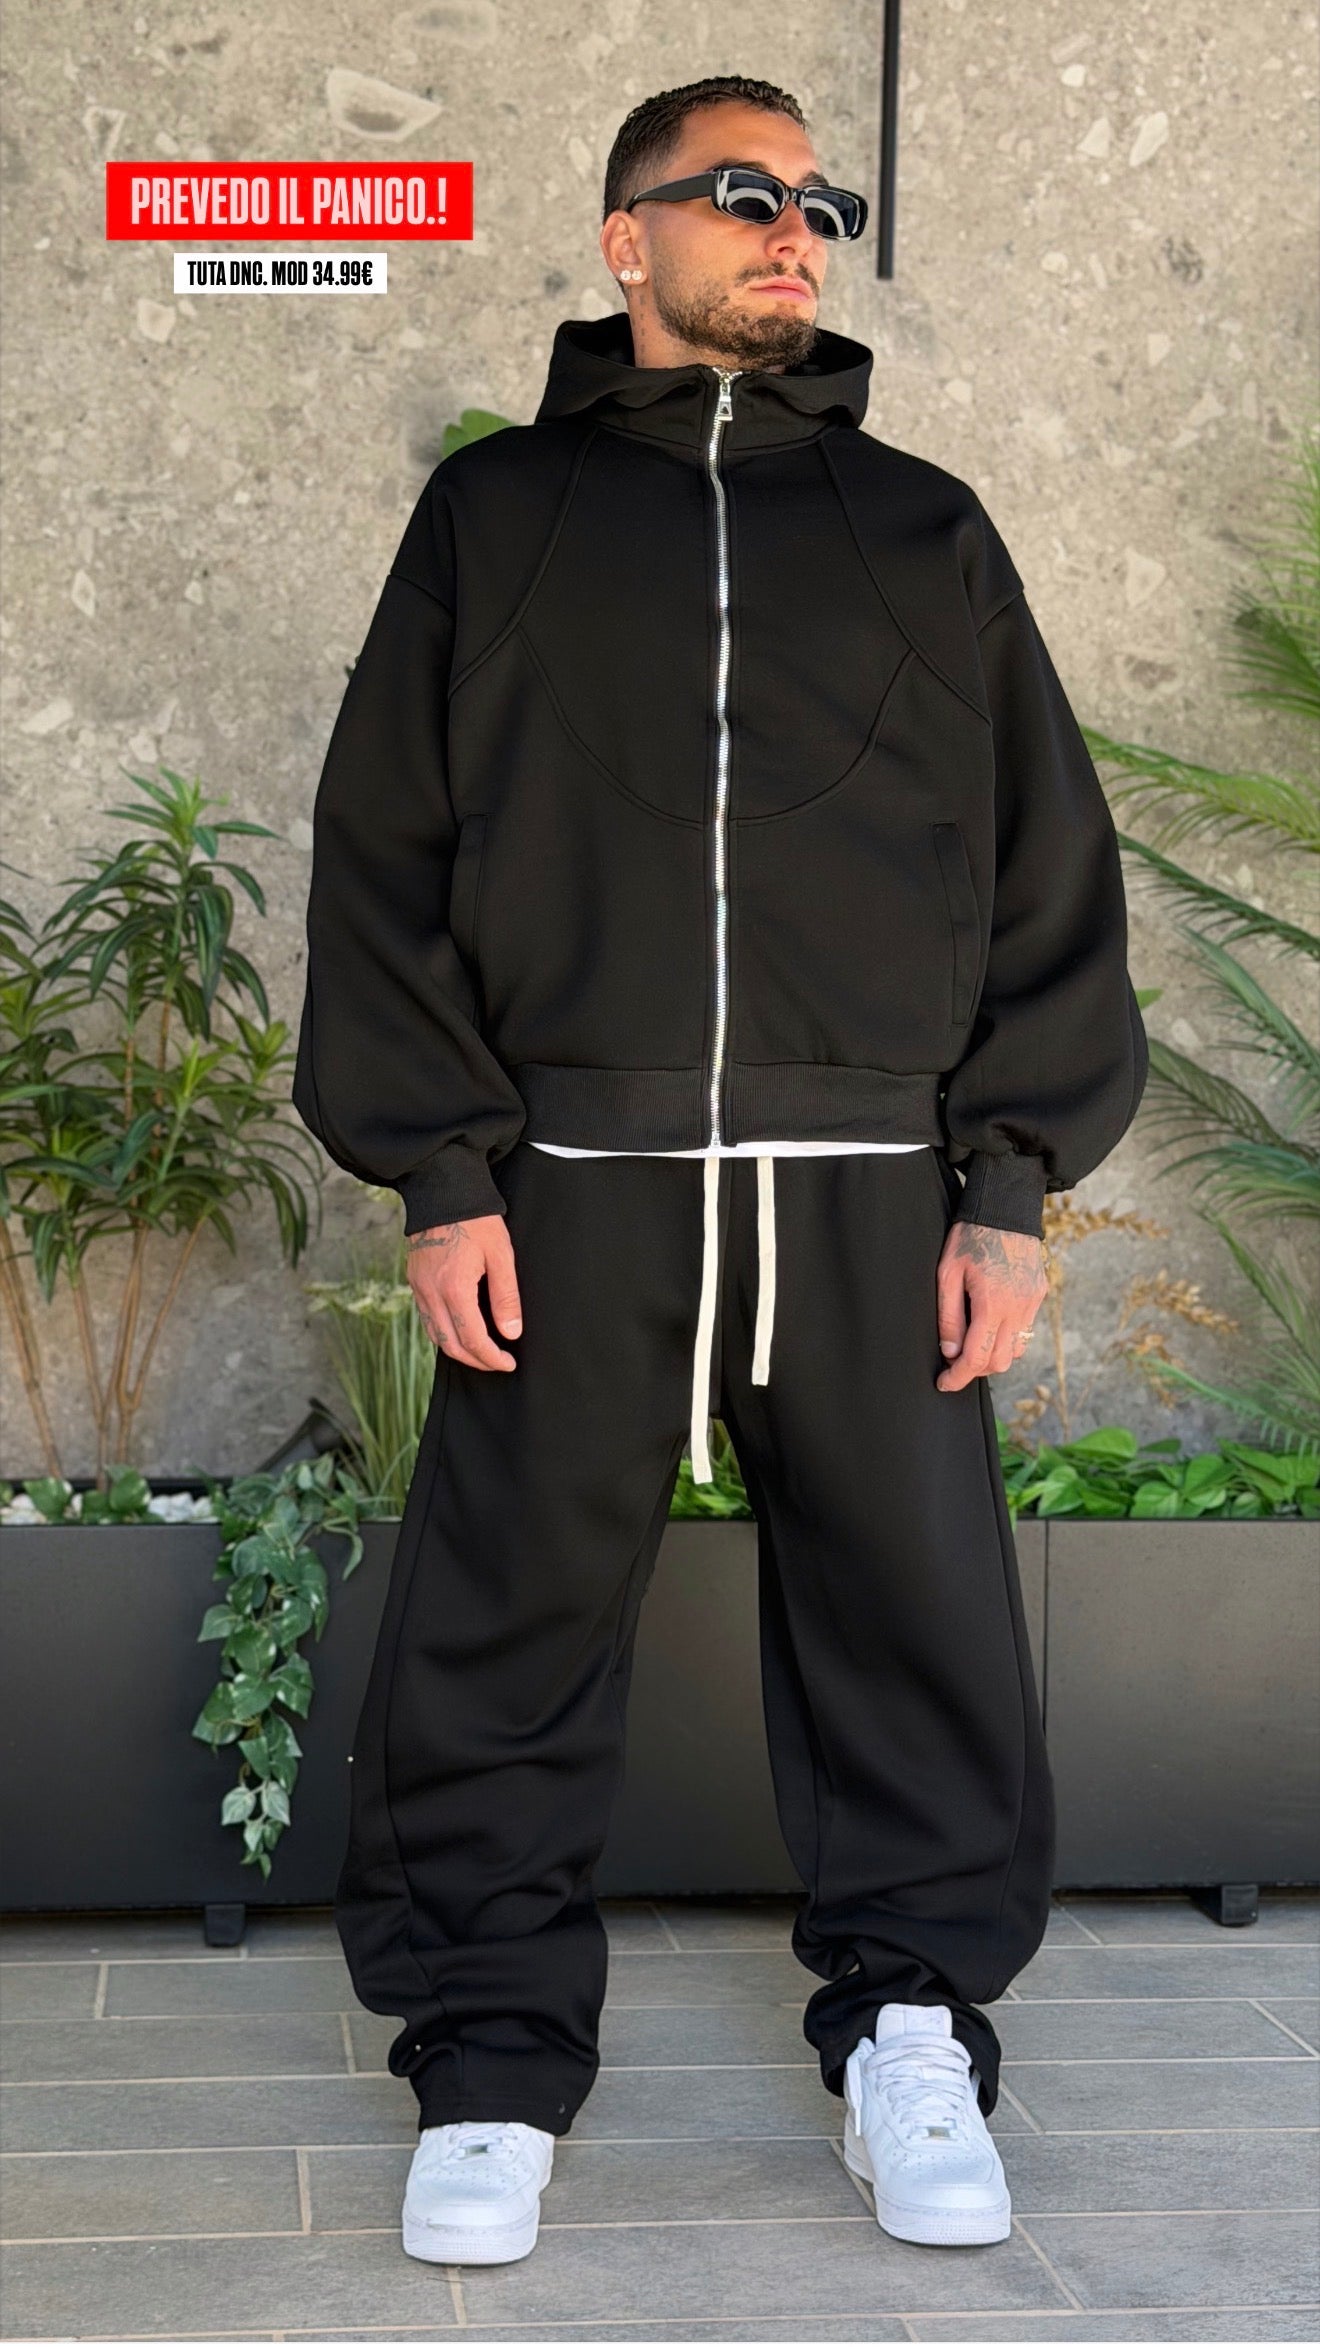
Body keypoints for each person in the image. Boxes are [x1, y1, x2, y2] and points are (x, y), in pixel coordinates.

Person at [292, 73, 1148, 2266]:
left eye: (817, 200)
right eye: (744, 192)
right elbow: (384, 857)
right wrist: (443, 1173)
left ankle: (913, 2031)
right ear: (627, 236)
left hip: (869, 1187)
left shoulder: (925, 530)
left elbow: (1050, 872)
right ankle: (491, 2064)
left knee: (914, 1625)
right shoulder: (496, 517)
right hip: (570, 1180)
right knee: (502, 1621)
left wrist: (1008, 1188)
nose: (794, 230)